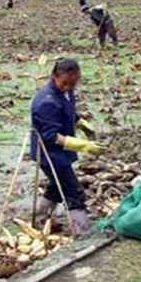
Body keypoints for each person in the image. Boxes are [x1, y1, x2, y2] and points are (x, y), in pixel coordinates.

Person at [31, 59, 105, 236]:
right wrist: (83, 145)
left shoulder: (67, 91)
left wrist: (81, 123)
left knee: (57, 185)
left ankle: (39, 217)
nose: (68, 87)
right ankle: (82, 230)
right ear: (54, 77)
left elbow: (68, 111)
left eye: (73, 83)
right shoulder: (46, 102)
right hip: (49, 154)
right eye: (65, 83)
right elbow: (49, 136)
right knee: (72, 190)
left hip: (61, 153)